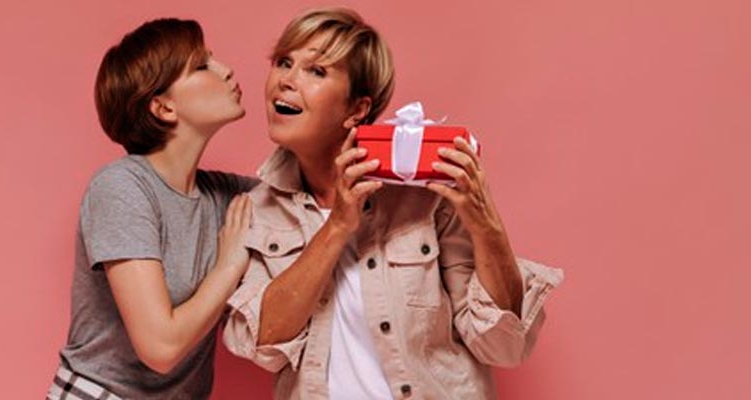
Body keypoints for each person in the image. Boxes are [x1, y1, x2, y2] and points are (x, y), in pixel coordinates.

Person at [223, 7, 564, 399]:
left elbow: (505, 346)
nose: (286, 81)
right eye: (284, 62)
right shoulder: (259, 209)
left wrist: (488, 228)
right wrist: (337, 226)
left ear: (357, 109)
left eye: (316, 71)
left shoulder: (424, 197)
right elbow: (264, 345)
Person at [48, 18, 257, 400]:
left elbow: (307, 199)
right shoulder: (122, 188)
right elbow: (160, 348)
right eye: (202, 66)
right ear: (163, 107)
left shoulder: (225, 196)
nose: (226, 71)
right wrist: (230, 264)